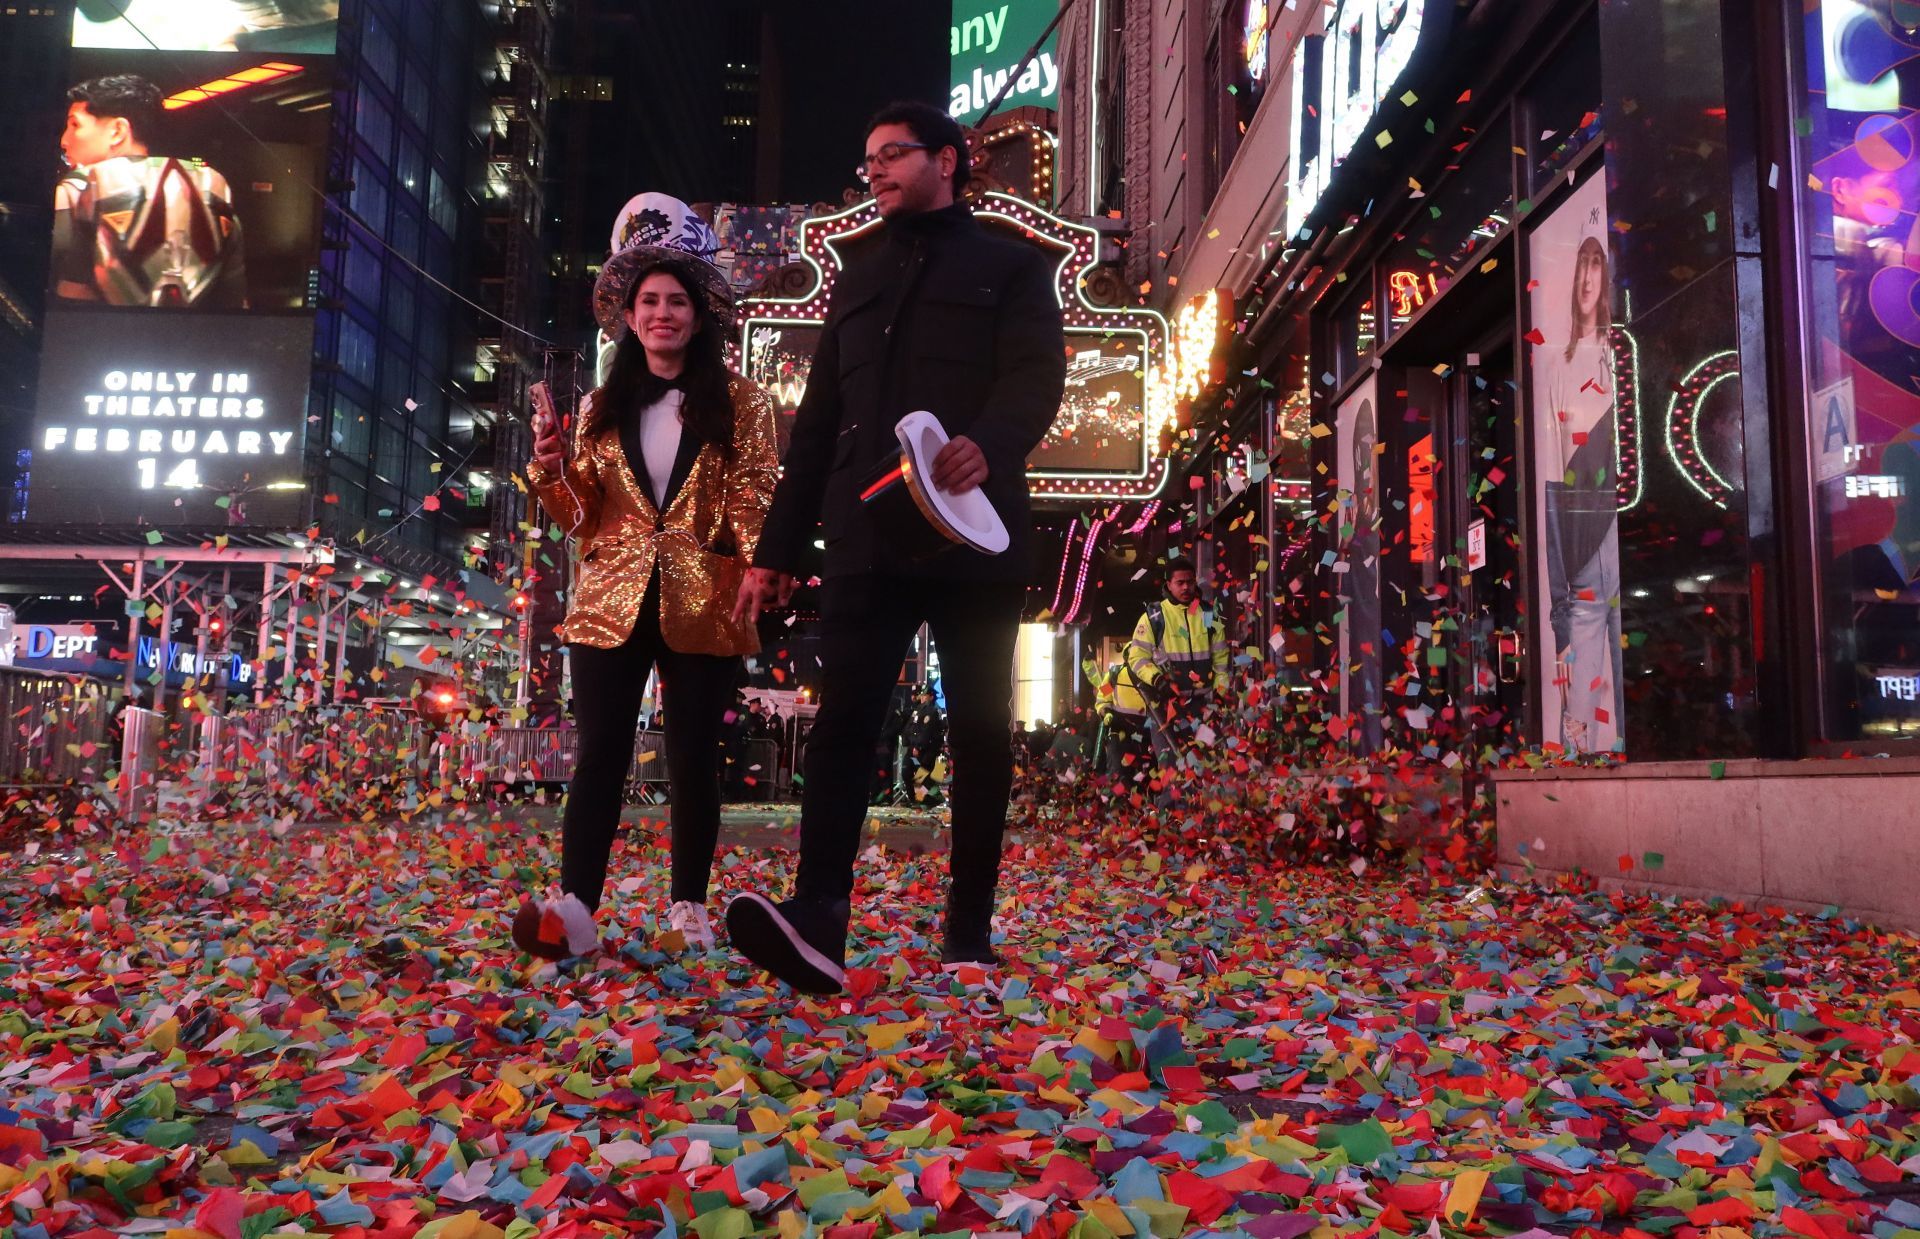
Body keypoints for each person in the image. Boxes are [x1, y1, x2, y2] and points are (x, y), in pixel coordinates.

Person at [728, 100, 1067, 993]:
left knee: (980, 731)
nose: (874, 170)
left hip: (974, 534)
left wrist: (988, 441)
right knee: (843, 726)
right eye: (867, 158)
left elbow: (1039, 377)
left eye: (892, 155)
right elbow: (817, 428)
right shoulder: (856, 272)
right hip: (864, 539)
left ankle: (968, 931)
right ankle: (818, 922)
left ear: (948, 160)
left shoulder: (1014, 265)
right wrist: (777, 548)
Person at [514, 194, 781, 961]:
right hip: (609, 604)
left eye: (676, 302)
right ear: (629, 317)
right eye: (649, 302)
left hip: (708, 599)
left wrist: (763, 568)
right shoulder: (599, 406)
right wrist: (548, 462)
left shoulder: (744, 403)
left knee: (696, 756)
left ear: (699, 317)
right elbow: (580, 516)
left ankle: (689, 905)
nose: (663, 314)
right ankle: (575, 904)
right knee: (600, 751)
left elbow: (752, 495)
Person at [53, 75, 248, 308]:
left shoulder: (77, 189)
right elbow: (235, 301)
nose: (64, 140)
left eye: (75, 125)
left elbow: (69, 294)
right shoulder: (214, 188)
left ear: (117, 131)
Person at [1541, 233, 1624, 754]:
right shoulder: (1558, 365)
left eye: (1597, 265)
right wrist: (1558, 584)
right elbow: (1553, 476)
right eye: (1582, 265)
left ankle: (1611, 746)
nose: (1588, 277)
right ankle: (1581, 753)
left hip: (1622, 511)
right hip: (1585, 525)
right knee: (1590, 620)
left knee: (1617, 622)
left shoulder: (1620, 355)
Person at [1125, 558, 1228, 763]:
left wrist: (1221, 692)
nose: (1186, 587)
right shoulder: (1154, 617)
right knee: (1173, 775)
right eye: (1180, 583)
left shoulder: (1208, 614)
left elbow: (1221, 661)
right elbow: (1136, 658)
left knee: (1208, 770)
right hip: (1165, 709)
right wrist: (1157, 679)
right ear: (1168, 584)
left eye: (1190, 582)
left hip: (1202, 707)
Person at [900, 684, 946, 801]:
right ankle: (915, 798)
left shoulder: (933, 710)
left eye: (924, 696)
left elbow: (926, 730)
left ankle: (923, 798)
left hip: (925, 749)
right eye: (922, 696)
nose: (922, 698)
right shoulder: (919, 709)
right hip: (914, 747)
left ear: (931, 697)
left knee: (921, 776)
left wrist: (918, 746)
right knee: (907, 772)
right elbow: (911, 727)